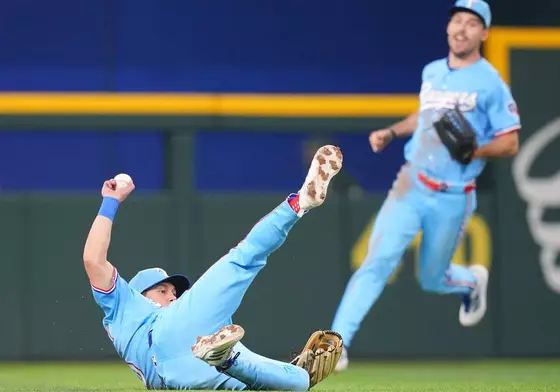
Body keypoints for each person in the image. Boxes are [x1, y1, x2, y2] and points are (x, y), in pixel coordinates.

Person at [329, 0, 521, 372]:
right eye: (456, 21)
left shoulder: (491, 83)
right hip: (411, 182)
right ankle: (338, 344)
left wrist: (476, 150)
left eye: (470, 23)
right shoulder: (433, 70)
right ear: (448, 28)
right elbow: (425, 113)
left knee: (432, 278)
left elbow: (511, 141)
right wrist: (391, 131)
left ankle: (469, 282)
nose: (461, 28)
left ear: (483, 33)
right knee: (376, 261)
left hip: (453, 195)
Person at [83, 145, 345, 390]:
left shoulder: (188, 319)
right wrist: (111, 200)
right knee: (244, 258)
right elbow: (93, 260)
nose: (172, 295)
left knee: (298, 383)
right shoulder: (123, 304)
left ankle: (228, 359)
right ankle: (299, 203)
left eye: (174, 292)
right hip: (165, 334)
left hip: (181, 375)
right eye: (162, 290)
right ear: (138, 293)